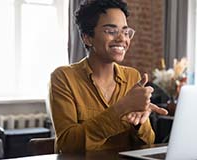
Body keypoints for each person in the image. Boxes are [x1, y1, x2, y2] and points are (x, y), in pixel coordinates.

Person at [49, 0, 168, 153]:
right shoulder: (63, 77)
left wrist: (140, 123)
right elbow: (67, 146)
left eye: (125, 32)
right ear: (87, 38)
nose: (122, 39)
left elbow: (148, 142)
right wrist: (121, 108)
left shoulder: (132, 77)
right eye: (111, 31)